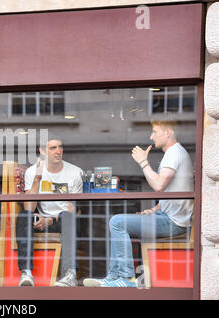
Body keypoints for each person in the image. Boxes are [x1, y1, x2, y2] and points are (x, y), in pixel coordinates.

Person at [83, 120, 194, 287]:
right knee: (118, 223)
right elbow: (172, 192)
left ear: (168, 133)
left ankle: (126, 278)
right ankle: (113, 277)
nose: (151, 136)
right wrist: (154, 209)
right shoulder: (176, 153)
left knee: (117, 222)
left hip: (174, 223)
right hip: (170, 217)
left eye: (155, 131)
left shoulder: (174, 153)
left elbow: (158, 185)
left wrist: (143, 162)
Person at [16, 138, 83, 287]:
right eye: (53, 148)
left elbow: (73, 209)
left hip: (63, 219)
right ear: (42, 151)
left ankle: (70, 274)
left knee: (67, 217)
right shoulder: (32, 171)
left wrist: (51, 219)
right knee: (23, 216)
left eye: (60, 147)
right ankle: (26, 273)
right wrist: (37, 179)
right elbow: (29, 208)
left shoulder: (75, 172)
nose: (58, 151)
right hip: (41, 219)